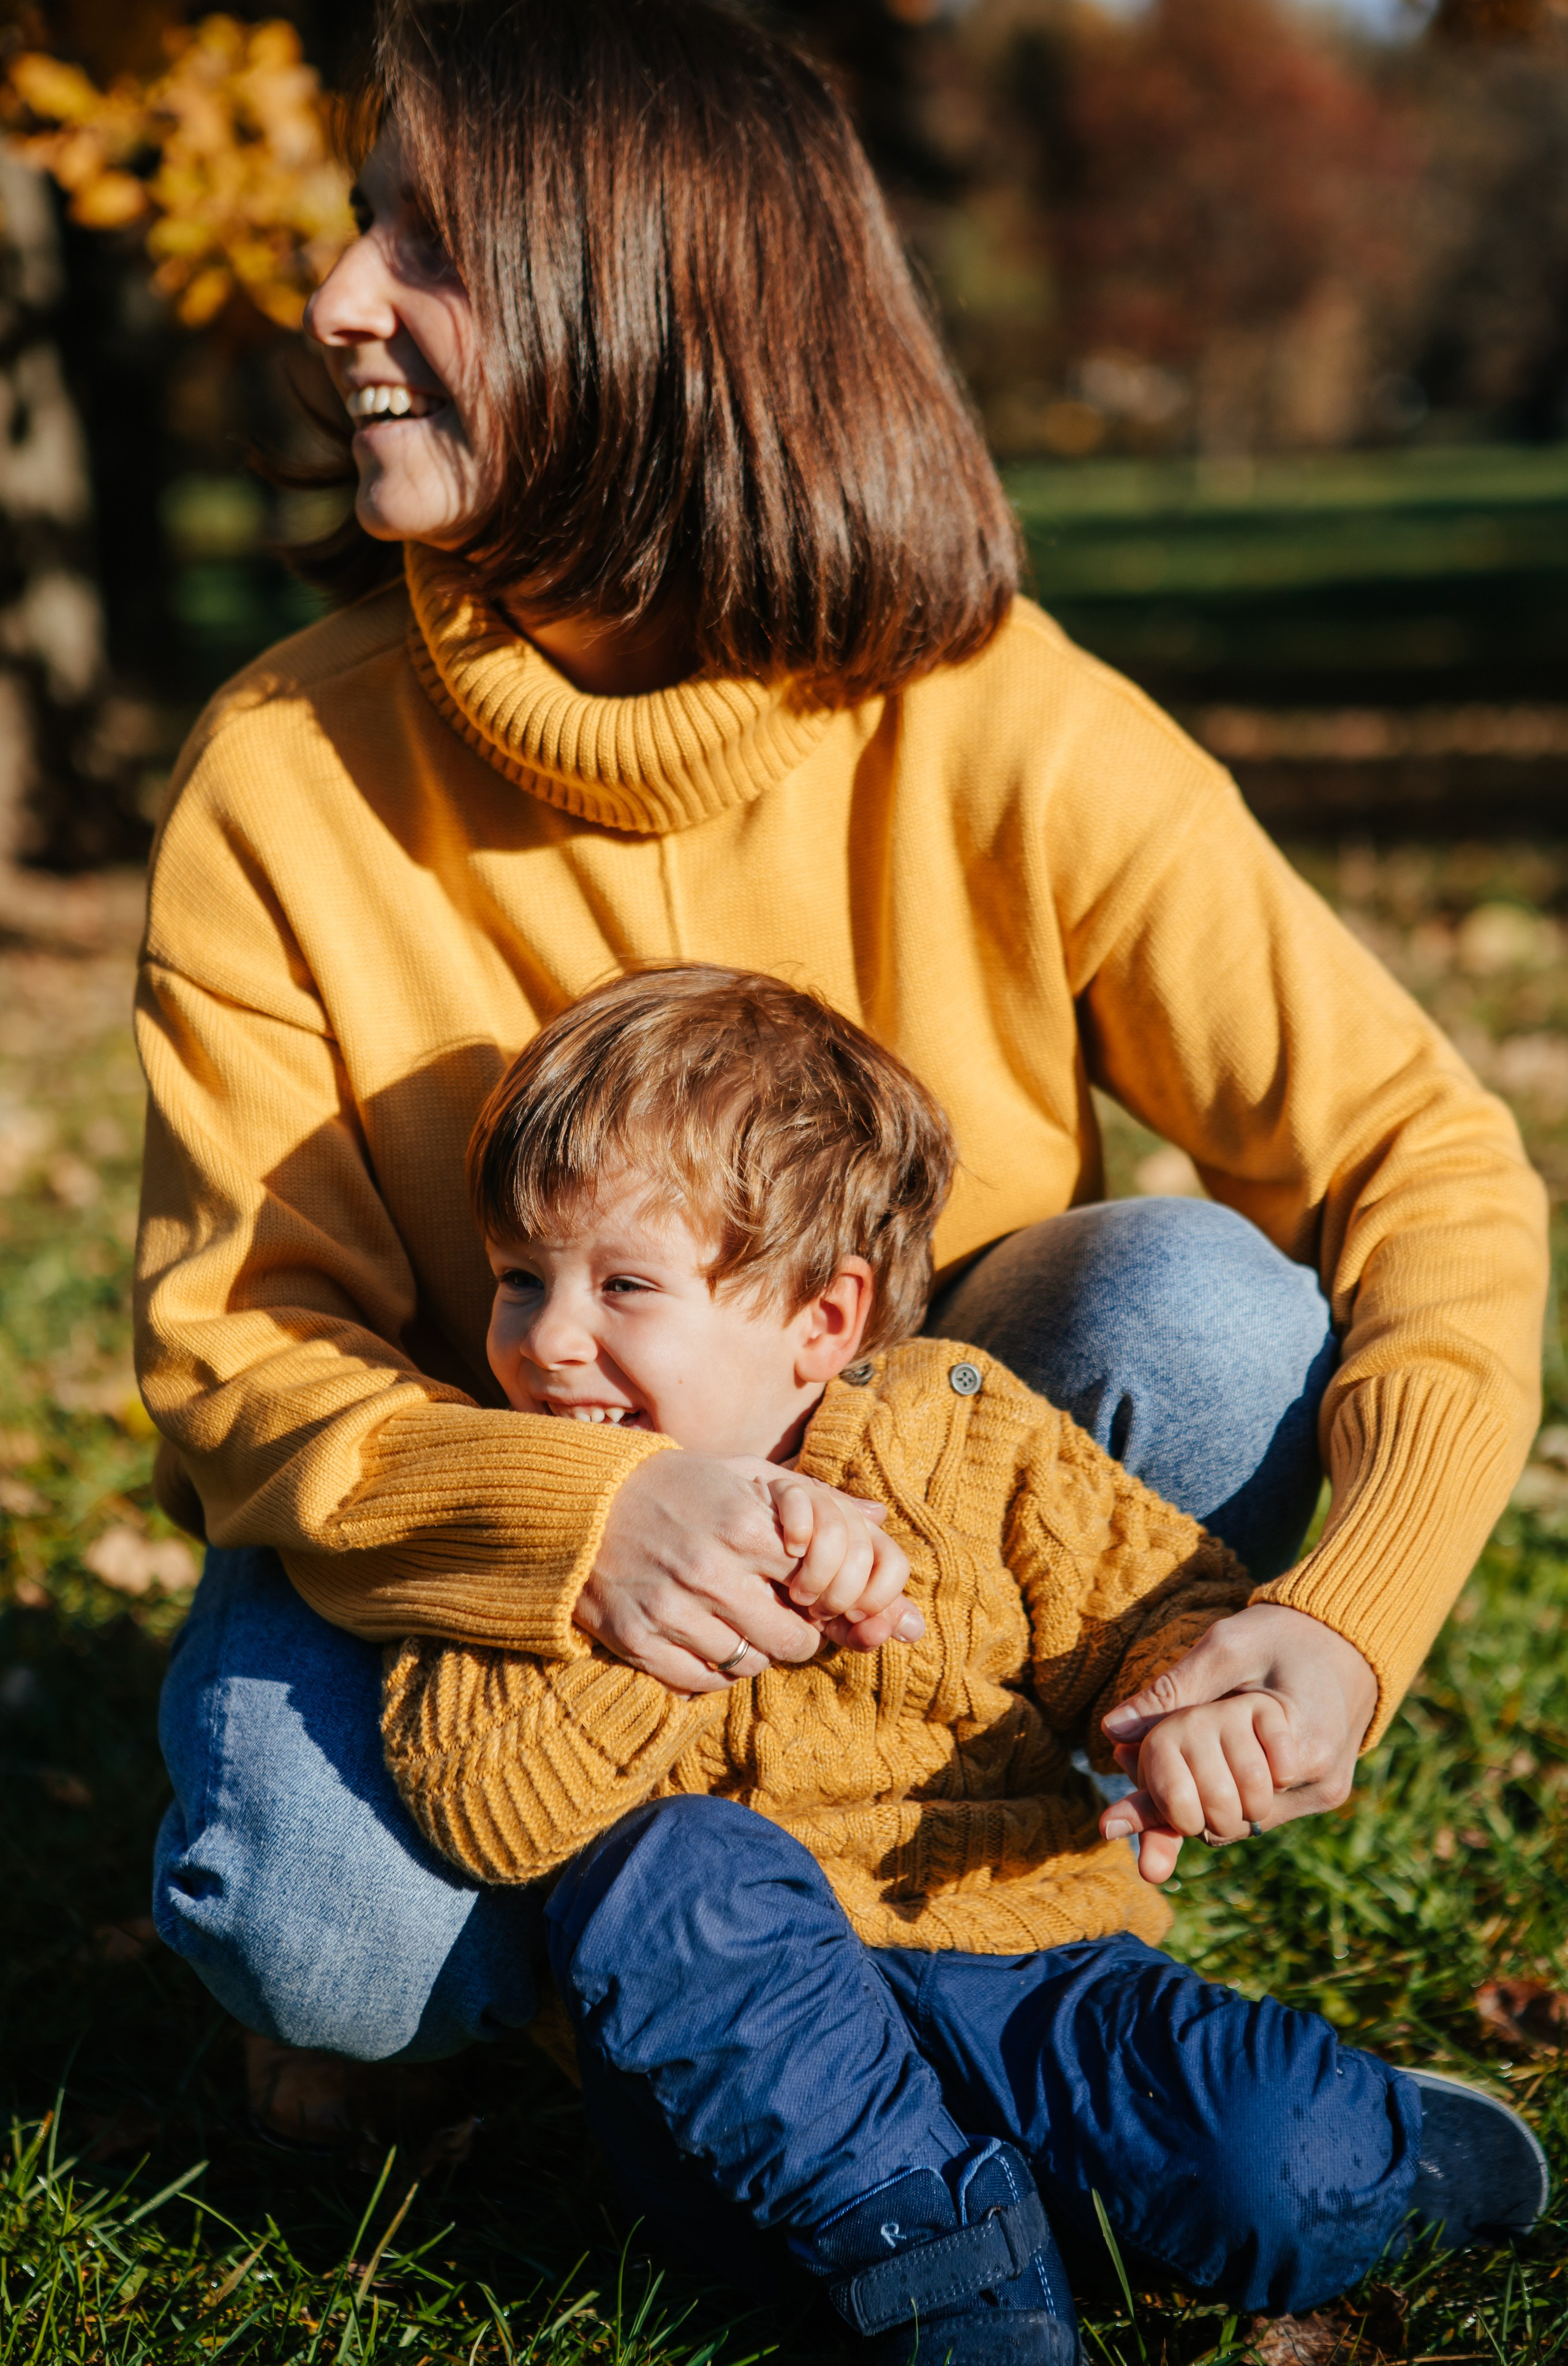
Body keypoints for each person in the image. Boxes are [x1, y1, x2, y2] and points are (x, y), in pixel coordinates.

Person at [145, 0, 1545, 2109]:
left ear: (659, 299)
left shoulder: (1001, 712)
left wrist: (1351, 1613)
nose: (336, 297)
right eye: (361, 223)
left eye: (428, 242)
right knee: (319, 1936)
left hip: (912, 1514)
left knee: (1209, 1314)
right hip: (476, 1569)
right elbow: (237, 1346)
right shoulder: (280, 770)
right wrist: (588, 1507)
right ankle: (681, 1953)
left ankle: (928, 1872)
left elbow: (1419, 1154)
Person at [379, 964, 1545, 2364]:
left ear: (821, 1317)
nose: (546, 1337)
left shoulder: (960, 1439)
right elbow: (479, 1799)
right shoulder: (540, 1516)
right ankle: (948, 2276)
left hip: (1023, 1959)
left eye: (622, 1284)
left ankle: (1384, 2152)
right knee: (676, 1868)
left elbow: (1148, 1611)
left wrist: (1187, 1714)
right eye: (520, 1277)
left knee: (1276, 2157)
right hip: (752, 2087)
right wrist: (663, 1603)